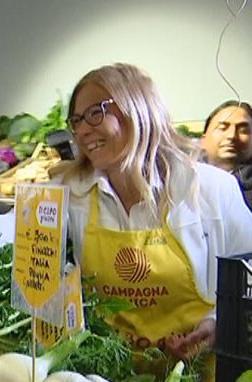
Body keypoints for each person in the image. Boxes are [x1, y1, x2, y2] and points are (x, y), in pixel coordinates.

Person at [53, 63, 252, 379]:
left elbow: (249, 284)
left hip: (202, 373)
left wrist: (217, 324)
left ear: (138, 110)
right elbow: (13, 234)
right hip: (111, 373)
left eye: (95, 113)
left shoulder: (211, 190)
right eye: (76, 120)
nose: (82, 130)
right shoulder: (72, 194)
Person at [200, 100, 252, 209]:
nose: (231, 136)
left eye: (243, 130)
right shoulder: (180, 185)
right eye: (222, 128)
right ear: (203, 140)